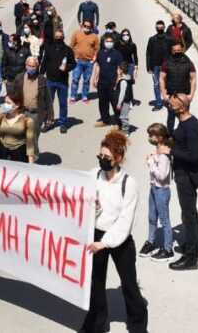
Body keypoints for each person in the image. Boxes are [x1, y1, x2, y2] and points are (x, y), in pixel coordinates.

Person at [80, 130, 147, 332]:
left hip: (120, 240)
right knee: (95, 283)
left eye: (107, 157)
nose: (102, 160)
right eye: (100, 156)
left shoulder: (129, 183)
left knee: (129, 284)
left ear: (118, 158)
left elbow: (125, 220)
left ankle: (138, 326)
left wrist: (105, 242)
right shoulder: (93, 175)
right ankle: (96, 324)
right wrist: (94, 206)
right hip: (97, 234)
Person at [169, 93, 198, 271]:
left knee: (188, 215)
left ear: (182, 107)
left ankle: (191, 258)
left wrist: (170, 150)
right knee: (189, 212)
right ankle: (193, 245)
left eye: (173, 103)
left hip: (187, 177)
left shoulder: (191, 126)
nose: (170, 104)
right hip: (182, 174)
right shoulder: (184, 122)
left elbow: (192, 156)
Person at [140, 123, 174, 262]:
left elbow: (162, 175)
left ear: (160, 137)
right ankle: (151, 241)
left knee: (164, 220)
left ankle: (167, 249)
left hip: (162, 190)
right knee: (152, 217)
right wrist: (154, 158)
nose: (149, 137)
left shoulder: (164, 155)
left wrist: (151, 163)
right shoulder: (158, 150)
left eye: (151, 135)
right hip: (154, 188)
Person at [0, 83, 37, 163]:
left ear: (17, 105)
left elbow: (30, 145)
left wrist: (31, 165)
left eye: (8, 103)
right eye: (5, 102)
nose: (5, 105)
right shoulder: (0, 117)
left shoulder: (27, 121)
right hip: (2, 153)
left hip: (19, 154)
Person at [39, 29, 75, 132]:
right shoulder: (49, 48)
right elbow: (44, 62)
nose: (58, 39)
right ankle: (48, 122)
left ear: (63, 37)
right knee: (48, 104)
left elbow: (73, 64)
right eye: (56, 37)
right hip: (50, 80)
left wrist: (67, 67)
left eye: (60, 37)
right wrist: (41, 75)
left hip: (62, 82)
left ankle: (63, 123)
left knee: (63, 103)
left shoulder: (68, 50)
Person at [160, 41, 196, 132]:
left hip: (184, 96)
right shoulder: (166, 63)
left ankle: (183, 135)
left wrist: (191, 95)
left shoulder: (189, 63)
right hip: (172, 96)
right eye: (175, 50)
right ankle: (170, 135)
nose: (177, 52)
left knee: (184, 118)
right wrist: (164, 95)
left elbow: (193, 79)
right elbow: (161, 78)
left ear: (182, 50)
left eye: (179, 50)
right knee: (171, 118)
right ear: (171, 51)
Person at [13, 56, 53, 137]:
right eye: (29, 66)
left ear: (37, 67)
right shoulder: (19, 78)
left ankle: (34, 150)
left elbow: (48, 98)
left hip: (36, 114)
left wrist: (50, 116)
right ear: (26, 65)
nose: (31, 68)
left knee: (33, 139)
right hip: (22, 112)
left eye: (33, 66)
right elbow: (13, 95)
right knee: (21, 138)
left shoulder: (42, 79)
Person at [92, 33, 125, 128]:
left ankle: (120, 123)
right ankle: (105, 120)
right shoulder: (100, 53)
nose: (109, 43)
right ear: (103, 42)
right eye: (107, 41)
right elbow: (98, 66)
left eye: (111, 41)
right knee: (102, 102)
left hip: (113, 83)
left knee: (115, 103)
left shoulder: (117, 54)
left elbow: (120, 69)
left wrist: (118, 81)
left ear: (114, 43)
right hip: (102, 82)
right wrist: (95, 78)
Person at [69, 19, 99, 102]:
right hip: (78, 61)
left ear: (91, 27)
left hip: (89, 62)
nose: (86, 27)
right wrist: (73, 58)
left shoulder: (94, 36)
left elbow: (97, 49)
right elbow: (71, 46)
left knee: (86, 80)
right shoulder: (76, 33)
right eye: (85, 26)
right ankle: (73, 96)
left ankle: (85, 96)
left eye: (88, 26)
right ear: (82, 26)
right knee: (75, 79)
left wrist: (94, 59)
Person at [145, 21, 171, 108]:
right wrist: (148, 66)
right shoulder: (152, 39)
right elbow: (148, 53)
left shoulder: (169, 39)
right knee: (156, 85)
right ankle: (159, 102)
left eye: (161, 27)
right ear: (156, 28)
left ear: (164, 27)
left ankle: (168, 101)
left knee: (167, 84)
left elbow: (172, 52)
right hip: (155, 66)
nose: (159, 28)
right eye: (158, 27)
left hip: (166, 66)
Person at [118, 28, 140, 107]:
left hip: (130, 65)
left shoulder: (132, 45)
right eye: (124, 35)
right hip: (121, 65)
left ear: (129, 36)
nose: (125, 36)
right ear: (121, 36)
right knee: (122, 83)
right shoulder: (118, 44)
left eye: (127, 35)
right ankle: (122, 100)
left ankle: (130, 100)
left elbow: (135, 56)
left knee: (129, 84)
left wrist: (136, 67)